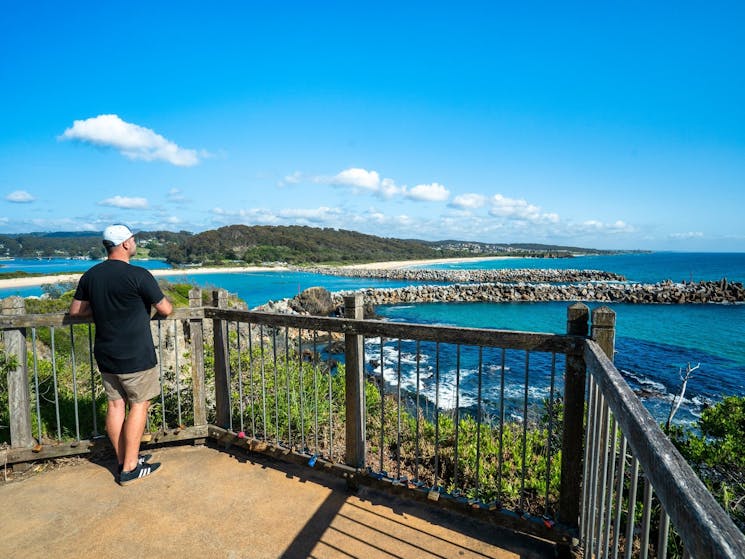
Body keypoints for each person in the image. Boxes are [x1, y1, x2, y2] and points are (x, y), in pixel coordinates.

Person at [69, 224, 173, 485]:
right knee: (139, 404)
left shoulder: (91, 275)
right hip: (136, 355)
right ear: (126, 244)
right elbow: (166, 309)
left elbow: (75, 312)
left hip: (106, 353)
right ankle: (130, 468)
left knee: (116, 405)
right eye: (133, 239)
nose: (135, 242)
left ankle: (123, 459)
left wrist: (102, 313)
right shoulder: (138, 275)